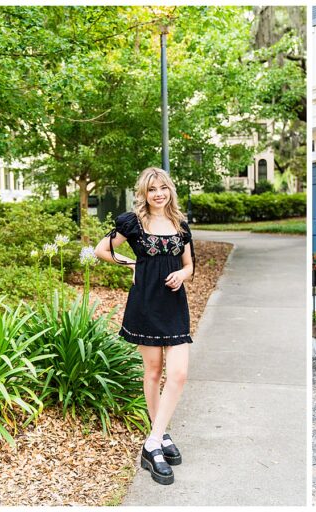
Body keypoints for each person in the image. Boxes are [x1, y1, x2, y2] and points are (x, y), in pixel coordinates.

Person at [95, 167, 195, 486]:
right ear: (144, 193)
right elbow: (102, 250)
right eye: (152, 189)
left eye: (163, 188)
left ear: (170, 191)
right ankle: (160, 436)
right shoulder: (133, 222)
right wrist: (132, 263)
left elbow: (189, 265)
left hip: (174, 306)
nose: (158, 194)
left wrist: (182, 275)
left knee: (178, 373)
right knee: (153, 372)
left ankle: (152, 442)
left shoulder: (180, 224)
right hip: (146, 304)